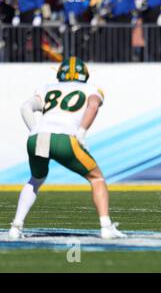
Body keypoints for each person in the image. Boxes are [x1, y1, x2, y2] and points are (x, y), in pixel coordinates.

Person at [9, 57, 127, 240]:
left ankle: (16, 227)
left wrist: (35, 130)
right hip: (65, 139)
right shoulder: (92, 89)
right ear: (85, 75)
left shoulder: (47, 87)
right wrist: (81, 133)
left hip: (37, 137)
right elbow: (93, 106)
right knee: (97, 178)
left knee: (35, 179)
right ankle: (106, 227)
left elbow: (25, 107)